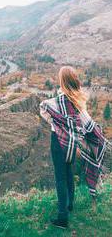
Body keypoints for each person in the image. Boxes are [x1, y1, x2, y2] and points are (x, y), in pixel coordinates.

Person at [40, 66, 108, 229]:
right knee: (69, 173)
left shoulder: (58, 101)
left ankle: (62, 218)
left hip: (59, 142)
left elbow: (43, 108)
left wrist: (56, 123)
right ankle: (70, 204)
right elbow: (88, 124)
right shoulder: (78, 101)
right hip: (73, 144)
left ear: (63, 82)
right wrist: (99, 137)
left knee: (60, 178)